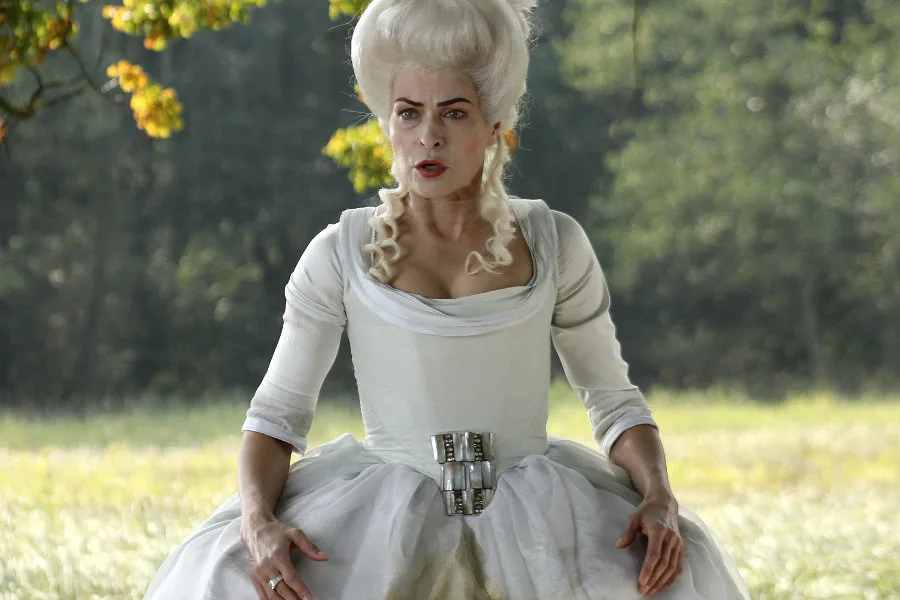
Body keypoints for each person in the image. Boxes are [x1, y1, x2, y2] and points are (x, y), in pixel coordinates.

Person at [143, 0, 750, 598]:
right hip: (383, 516)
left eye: (454, 113)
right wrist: (257, 523)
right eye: (408, 113)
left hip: (537, 511)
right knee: (226, 574)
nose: (428, 136)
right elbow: (275, 418)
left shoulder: (555, 242)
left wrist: (658, 496)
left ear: (494, 125)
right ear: (386, 122)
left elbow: (615, 404)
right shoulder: (339, 253)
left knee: (672, 571)